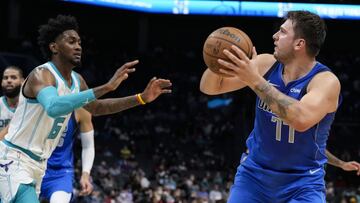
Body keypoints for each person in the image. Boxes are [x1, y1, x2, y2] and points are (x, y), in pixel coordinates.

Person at [0, 14, 171, 203]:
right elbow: (53, 107)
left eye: (79, 42)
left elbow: (96, 108)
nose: (78, 46)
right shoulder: (42, 74)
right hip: (15, 158)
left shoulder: (77, 81)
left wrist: (141, 98)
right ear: (54, 47)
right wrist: (106, 87)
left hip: (39, 164)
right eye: (71, 41)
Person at [200, 10, 346, 202]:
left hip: (302, 182)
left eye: (282, 32)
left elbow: (300, 119)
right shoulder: (265, 64)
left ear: (299, 44)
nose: (274, 36)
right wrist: (221, 60)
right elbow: (209, 87)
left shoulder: (325, 82)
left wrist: (255, 81)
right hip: (254, 176)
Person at [40, 108, 95, 203]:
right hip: (31, 165)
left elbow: (88, 146)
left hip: (60, 172)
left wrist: (85, 174)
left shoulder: (82, 108)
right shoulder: (37, 100)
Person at [0, 66, 24, 131]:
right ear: (1, 82)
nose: (9, 80)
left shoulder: (30, 105)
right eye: (5, 78)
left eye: (13, 77)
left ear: (22, 81)